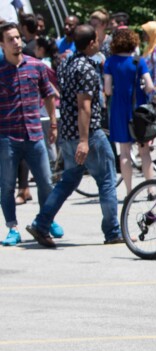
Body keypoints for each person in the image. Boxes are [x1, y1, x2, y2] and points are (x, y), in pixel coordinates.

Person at [27, 24, 122, 247]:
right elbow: (84, 106)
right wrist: (84, 140)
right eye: (96, 41)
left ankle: (41, 224)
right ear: (91, 44)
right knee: (107, 180)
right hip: (87, 134)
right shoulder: (86, 68)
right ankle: (113, 232)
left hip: (67, 132)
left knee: (68, 180)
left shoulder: (66, 63)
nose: (99, 43)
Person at [0, 21, 61, 247]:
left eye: (18, 37)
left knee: (46, 182)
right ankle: (12, 227)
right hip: (7, 137)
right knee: (6, 186)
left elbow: (48, 95)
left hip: (35, 134)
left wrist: (53, 124)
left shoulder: (36, 66)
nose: (16, 42)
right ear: (2, 44)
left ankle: (46, 220)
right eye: (11, 39)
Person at [103, 27, 154, 195]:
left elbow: (108, 90)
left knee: (124, 152)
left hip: (119, 107)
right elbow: (149, 86)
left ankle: (129, 191)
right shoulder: (139, 61)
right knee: (144, 150)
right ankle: (151, 189)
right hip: (138, 108)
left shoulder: (110, 62)